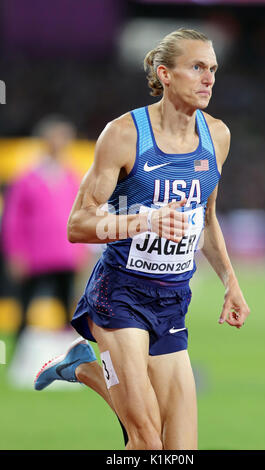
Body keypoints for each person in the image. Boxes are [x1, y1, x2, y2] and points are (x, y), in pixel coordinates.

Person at [34, 29, 250, 450]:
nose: (209, 79)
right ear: (165, 74)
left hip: (172, 300)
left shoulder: (217, 136)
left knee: (180, 452)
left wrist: (231, 281)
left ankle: (86, 370)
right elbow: (77, 225)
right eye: (197, 67)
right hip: (121, 295)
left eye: (213, 70)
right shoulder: (124, 134)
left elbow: (206, 219)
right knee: (146, 442)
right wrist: (143, 220)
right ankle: (96, 368)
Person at [2, 116, 88, 337]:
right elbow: (13, 219)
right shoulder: (26, 177)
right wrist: (15, 253)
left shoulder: (72, 176)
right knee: (24, 307)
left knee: (68, 311)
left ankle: (69, 356)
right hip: (35, 255)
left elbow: (80, 216)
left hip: (65, 254)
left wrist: (80, 250)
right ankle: (21, 355)